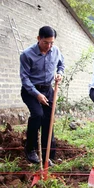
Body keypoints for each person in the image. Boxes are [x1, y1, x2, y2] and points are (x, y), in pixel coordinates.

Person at [20, 26, 64, 166]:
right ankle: (30, 149)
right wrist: (37, 95)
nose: (49, 46)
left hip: (48, 90)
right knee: (38, 115)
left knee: (48, 120)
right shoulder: (27, 55)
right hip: (30, 91)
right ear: (39, 39)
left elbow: (61, 64)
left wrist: (60, 74)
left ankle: (47, 155)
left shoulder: (55, 51)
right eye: (46, 42)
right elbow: (25, 79)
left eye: (52, 42)